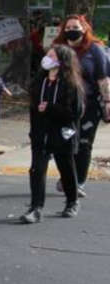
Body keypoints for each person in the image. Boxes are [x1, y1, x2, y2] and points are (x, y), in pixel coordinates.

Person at [21, 45, 84, 223]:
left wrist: (50, 108)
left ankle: (72, 201)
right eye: (47, 55)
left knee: (66, 168)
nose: (47, 58)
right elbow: (34, 109)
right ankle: (36, 208)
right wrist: (34, 131)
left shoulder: (71, 84)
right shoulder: (39, 81)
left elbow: (75, 113)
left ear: (62, 61)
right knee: (37, 170)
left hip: (62, 134)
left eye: (52, 56)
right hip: (40, 133)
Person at [50, 15, 109, 197]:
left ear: (84, 29)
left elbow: (103, 78)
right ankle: (67, 176)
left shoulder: (95, 50)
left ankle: (79, 181)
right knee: (64, 142)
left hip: (89, 104)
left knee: (83, 144)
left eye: (75, 27)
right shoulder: (58, 50)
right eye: (67, 28)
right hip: (63, 105)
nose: (71, 30)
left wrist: (107, 101)